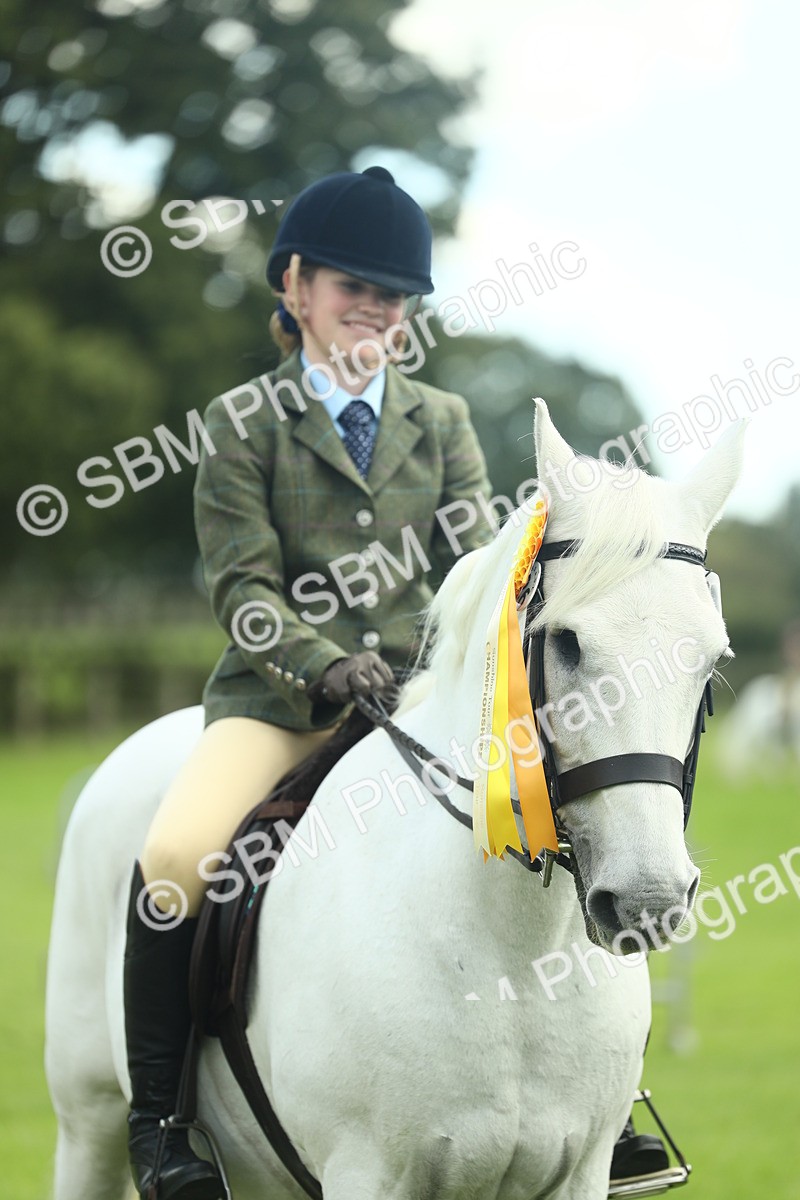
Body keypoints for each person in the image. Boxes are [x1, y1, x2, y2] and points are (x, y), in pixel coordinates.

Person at [122, 165, 496, 1200]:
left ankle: (593, 1096)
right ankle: (161, 1124)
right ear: (293, 286)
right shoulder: (242, 423)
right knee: (175, 855)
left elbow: (474, 562)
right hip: (281, 703)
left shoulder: (445, 420)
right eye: (352, 288)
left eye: (392, 295)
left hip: (416, 702)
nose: (374, 309)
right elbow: (241, 589)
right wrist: (325, 660)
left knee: (542, 816)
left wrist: (444, 658)